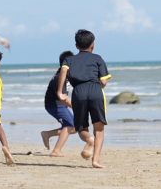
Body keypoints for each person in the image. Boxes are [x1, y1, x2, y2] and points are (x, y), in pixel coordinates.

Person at [55, 30, 111, 168]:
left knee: (82, 127)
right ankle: (96, 160)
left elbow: (63, 71)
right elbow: (103, 82)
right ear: (93, 45)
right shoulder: (98, 58)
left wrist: (60, 91)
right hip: (95, 90)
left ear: (76, 45)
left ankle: (89, 140)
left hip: (78, 92)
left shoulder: (69, 60)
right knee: (99, 128)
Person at [40, 50, 78, 157]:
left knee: (75, 127)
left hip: (60, 104)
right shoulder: (59, 78)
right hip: (54, 105)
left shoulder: (65, 74)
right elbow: (62, 98)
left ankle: (47, 134)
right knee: (70, 125)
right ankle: (56, 150)